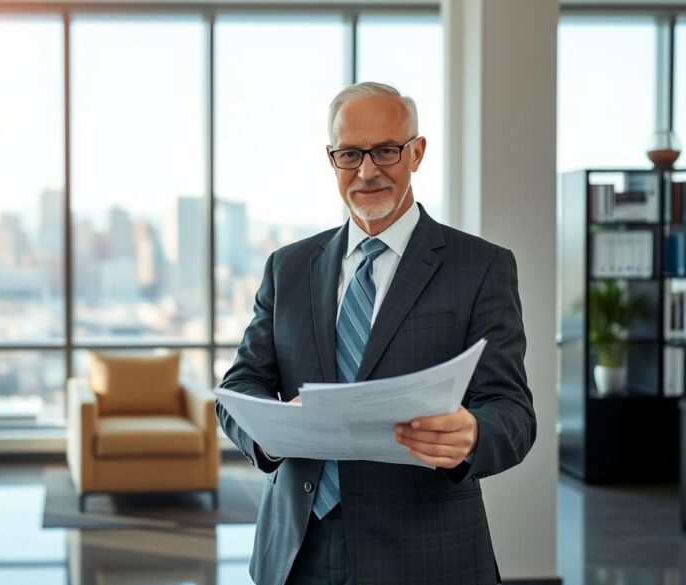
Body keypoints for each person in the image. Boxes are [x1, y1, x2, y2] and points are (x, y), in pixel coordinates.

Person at [216, 81, 536, 585]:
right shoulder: (289, 267)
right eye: (350, 154)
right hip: (298, 551)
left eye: (386, 151)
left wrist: (472, 434)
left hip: (427, 554)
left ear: (417, 153)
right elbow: (238, 390)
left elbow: (513, 412)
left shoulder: (480, 267)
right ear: (332, 160)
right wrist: (275, 432)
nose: (367, 171)